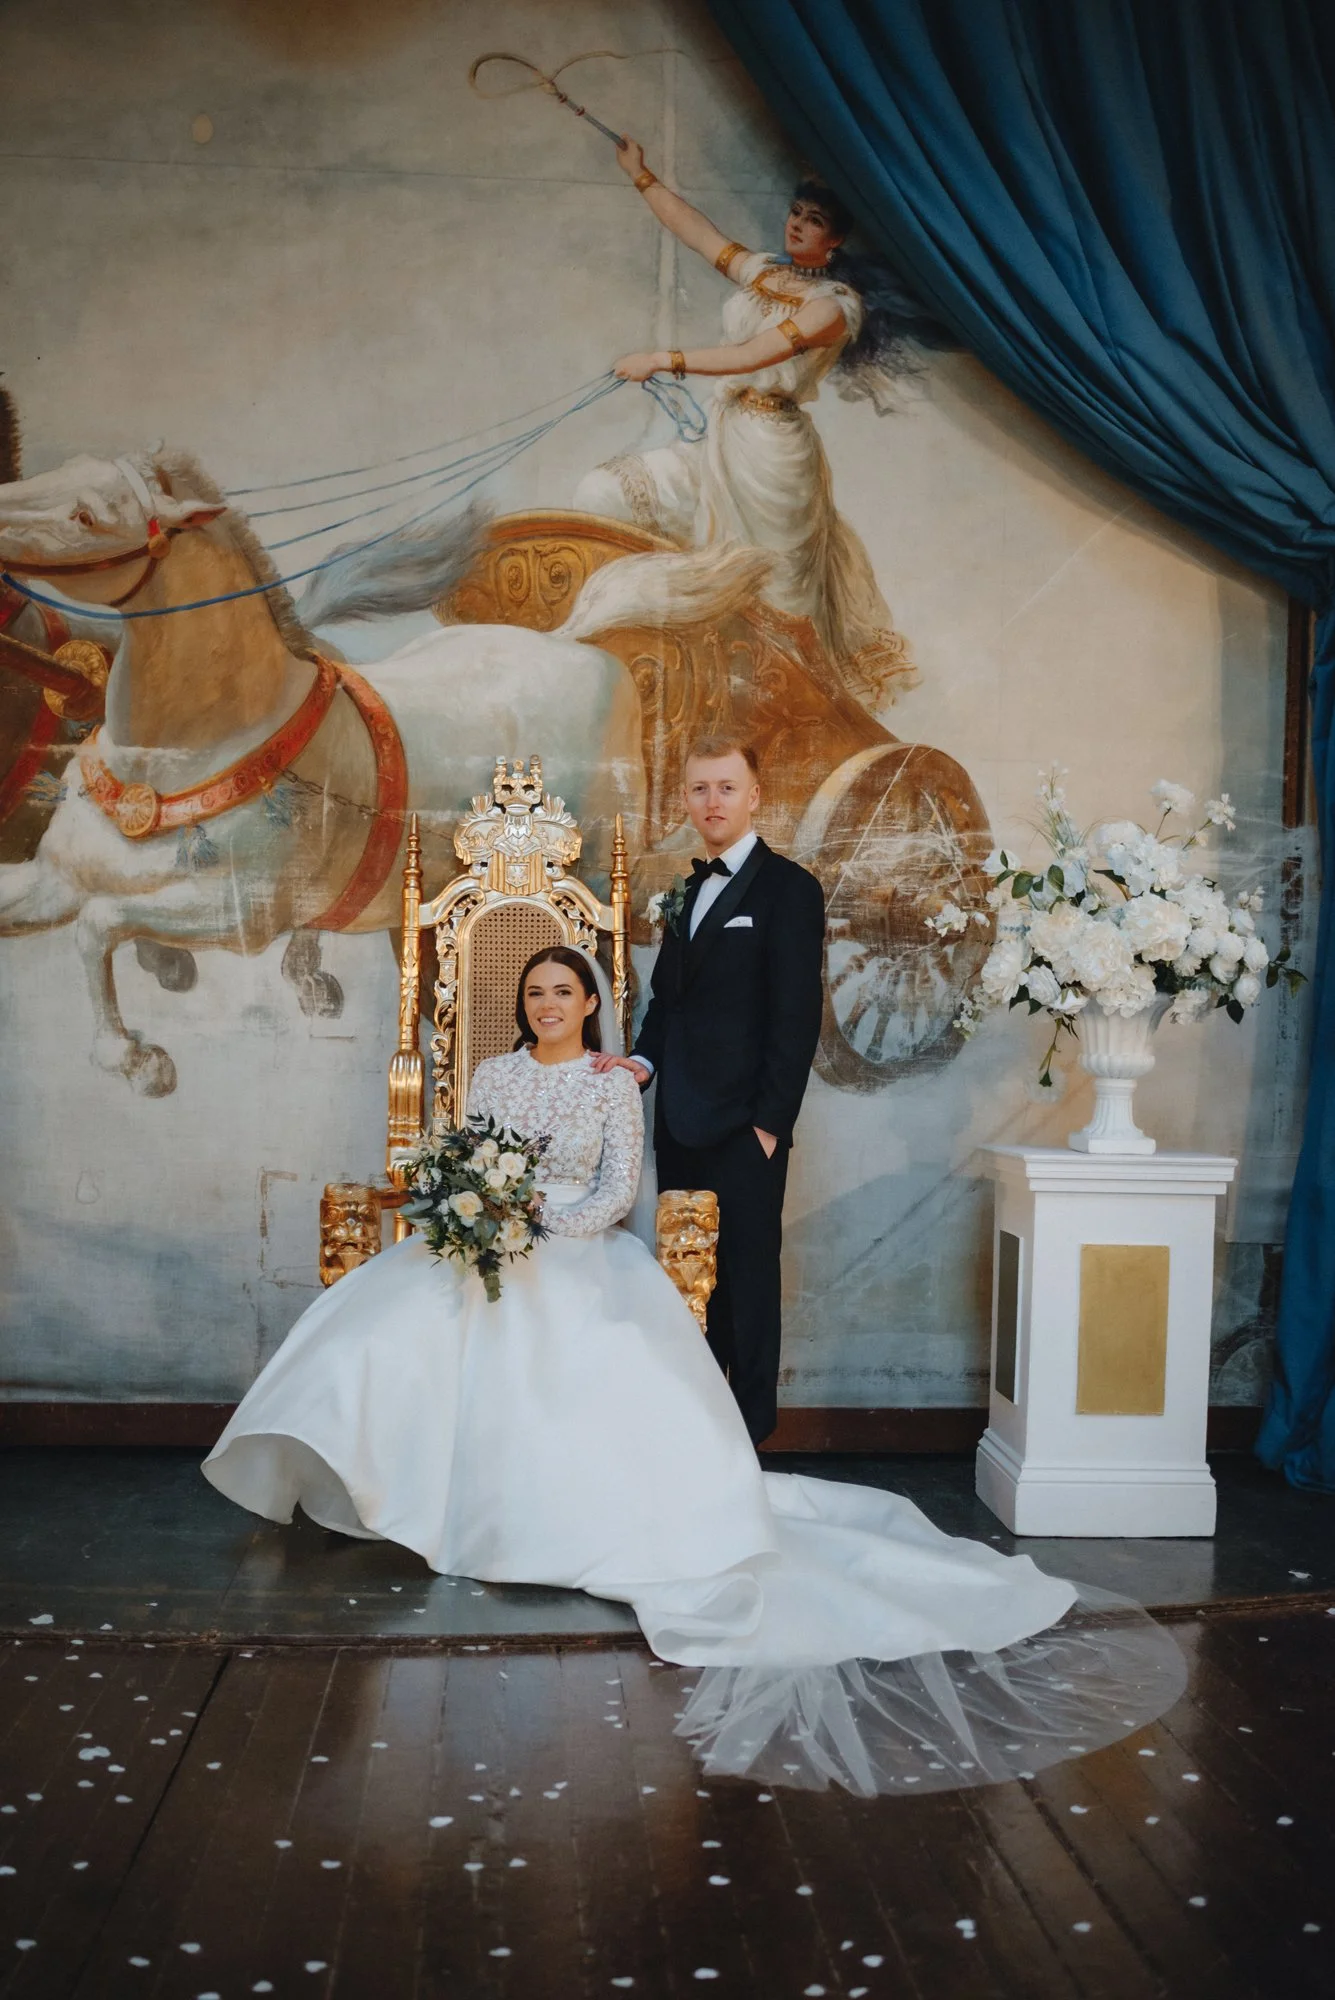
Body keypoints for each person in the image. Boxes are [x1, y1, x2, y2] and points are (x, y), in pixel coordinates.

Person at [203, 944, 1184, 1798]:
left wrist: (538, 1219)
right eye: (535, 991)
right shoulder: (496, 1075)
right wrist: (482, 1207)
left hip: (575, 1250)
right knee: (383, 1324)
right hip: (485, 1238)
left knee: (563, 1346)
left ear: (590, 1003)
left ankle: (536, 1513)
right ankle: (383, 1482)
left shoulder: (612, 1084)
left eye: (563, 990)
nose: (548, 1003)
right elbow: (463, 1150)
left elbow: (617, 1189)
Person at [574, 144, 918, 707]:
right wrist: (640, 176)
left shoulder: (835, 305)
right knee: (604, 491)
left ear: (836, 240)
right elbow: (694, 229)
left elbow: (756, 354)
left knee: (776, 599)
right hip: (722, 437)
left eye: (816, 222)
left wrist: (663, 359)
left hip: (775, 459)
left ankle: (786, 711)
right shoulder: (762, 271)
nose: (798, 226)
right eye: (796, 214)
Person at [595, 736, 823, 1448]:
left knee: (748, 1283)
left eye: (726, 787)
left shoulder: (790, 889)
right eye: (699, 789)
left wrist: (769, 1124)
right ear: (686, 799)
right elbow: (671, 1003)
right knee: (689, 1280)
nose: (712, 801)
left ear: (754, 795)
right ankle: (698, 1432)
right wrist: (641, 1064)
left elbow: (797, 1016)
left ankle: (750, 1439)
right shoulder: (687, 889)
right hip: (680, 1118)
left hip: (745, 1126)